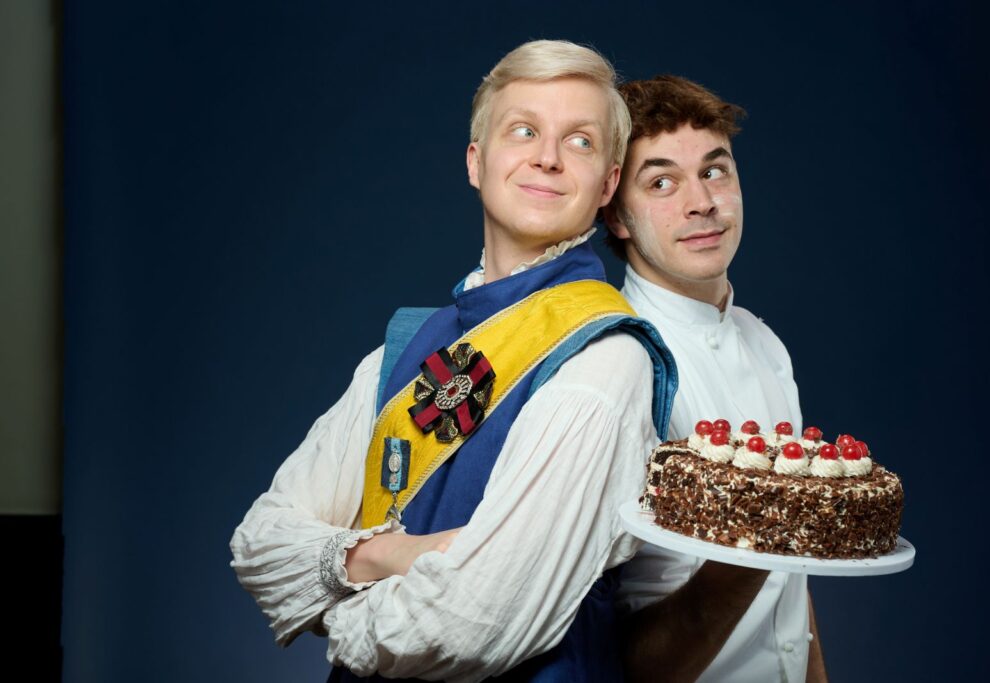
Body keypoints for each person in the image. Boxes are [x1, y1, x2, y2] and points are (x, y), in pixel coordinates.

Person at [230, 40, 675, 682]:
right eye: (523, 131)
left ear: (607, 183)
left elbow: (476, 622)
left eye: (579, 141)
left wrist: (336, 605)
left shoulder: (606, 359)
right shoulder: (404, 346)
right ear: (476, 161)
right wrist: (389, 555)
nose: (547, 157)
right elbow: (261, 544)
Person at [602, 75, 828, 683]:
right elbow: (615, 653)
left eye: (714, 170)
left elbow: (793, 591)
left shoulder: (764, 341)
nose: (701, 202)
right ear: (617, 216)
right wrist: (762, 533)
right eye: (661, 182)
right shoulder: (620, 361)